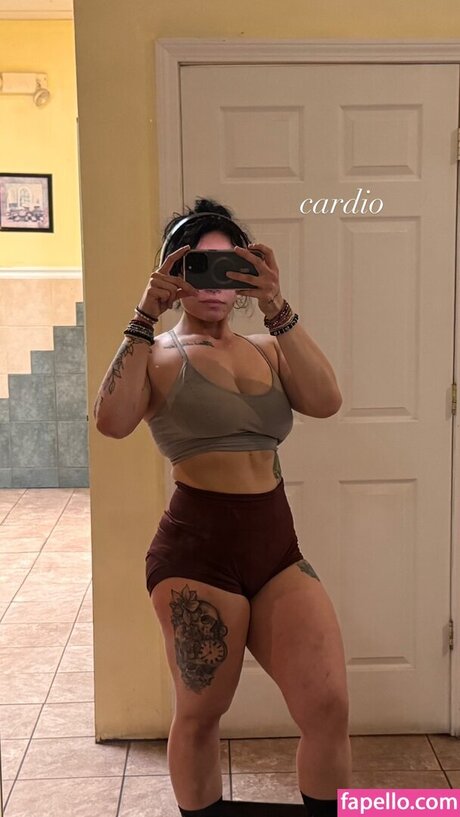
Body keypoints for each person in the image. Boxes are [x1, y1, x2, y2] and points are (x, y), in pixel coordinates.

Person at [94, 198, 352, 817]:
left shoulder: (268, 347)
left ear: (247, 270)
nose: (214, 282)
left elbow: (326, 400)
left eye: (228, 264)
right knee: (202, 712)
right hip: (197, 553)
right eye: (197, 265)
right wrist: (143, 315)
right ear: (173, 272)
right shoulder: (157, 353)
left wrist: (277, 304)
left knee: (328, 707)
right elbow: (112, 422)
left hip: (276, 549)